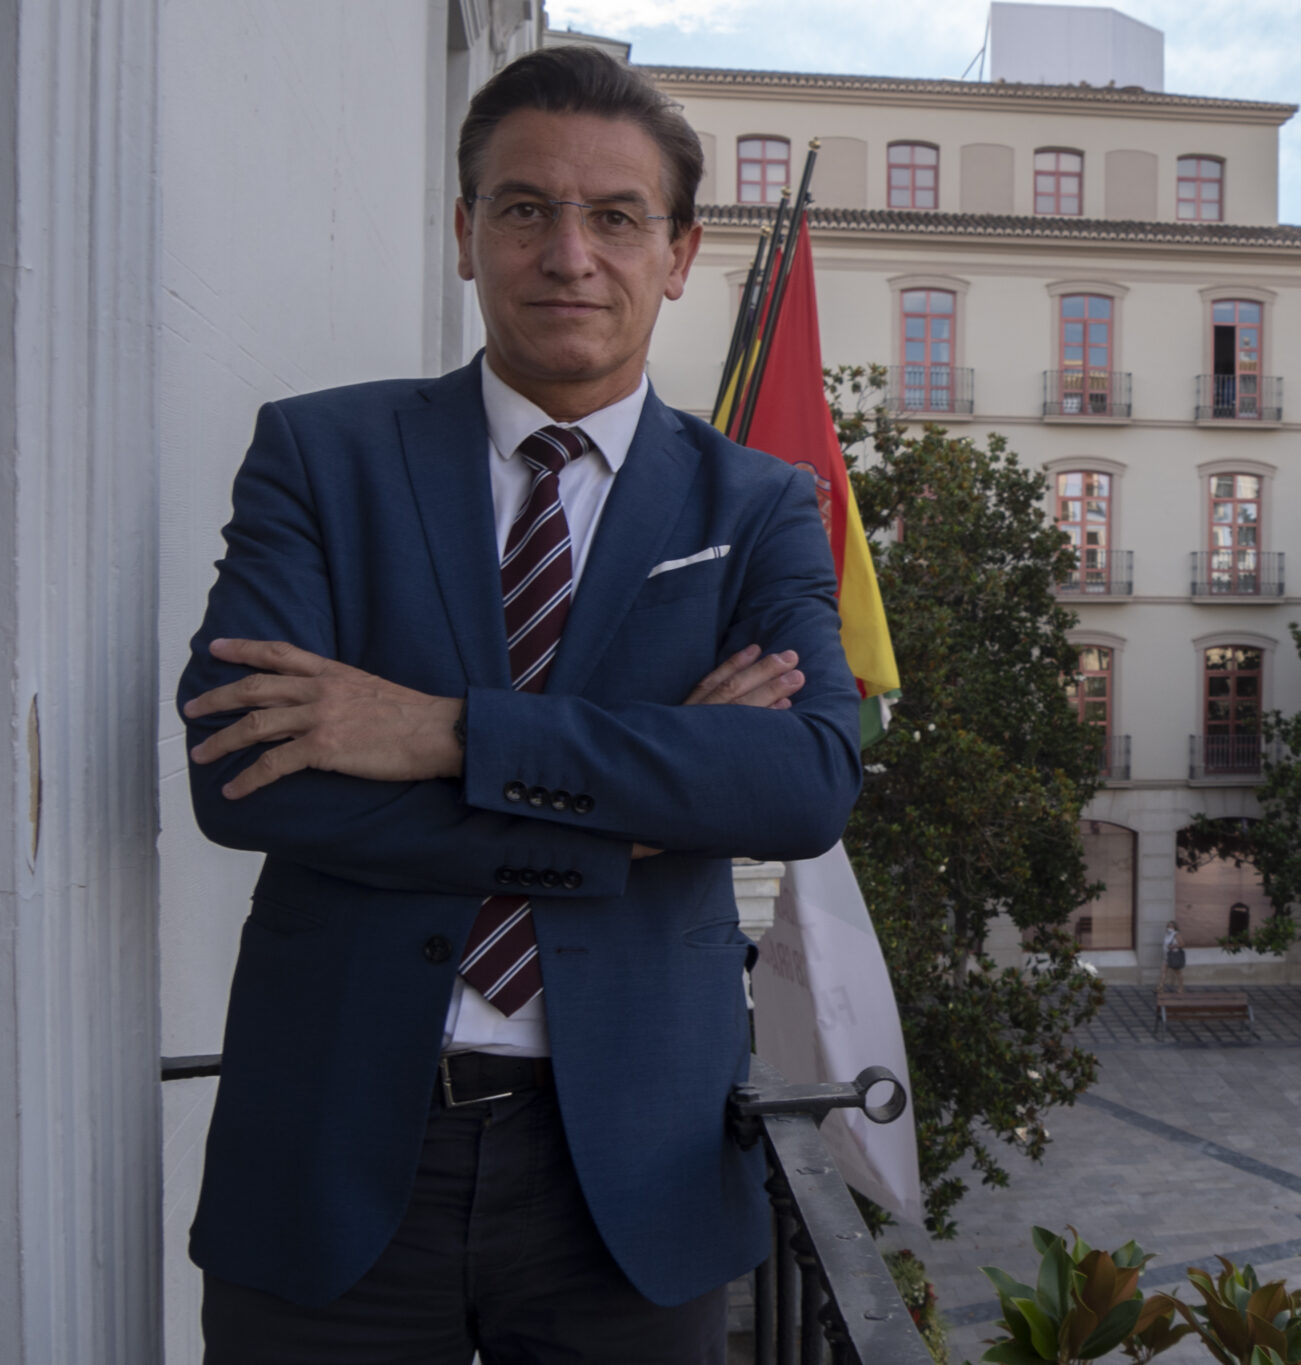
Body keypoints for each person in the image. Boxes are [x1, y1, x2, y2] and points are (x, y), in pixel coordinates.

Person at [177, 47, 861, 1363]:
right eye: (525, 208)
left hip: (628, 1183)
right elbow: (241, 776)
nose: (570, 254)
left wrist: (435, 732)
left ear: (678, 253)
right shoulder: (322, 457)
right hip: (330, 1157)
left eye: (615, 217)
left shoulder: (756, 505)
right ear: (463, 233)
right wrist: (636, 809)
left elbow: (803, 783)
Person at [1160, 920, 1186, 992]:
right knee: (1163, 971)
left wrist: (1173, 946)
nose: (1169, 927)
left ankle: (1181, 988)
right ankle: (1160, 987)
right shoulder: (1167, 934)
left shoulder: (1176, 934)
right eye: (1168, 926)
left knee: (1178, 972)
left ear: (1174, 927)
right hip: (1167, 956)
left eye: (1171, 926)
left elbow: (1182, 944)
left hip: (1174, 956)